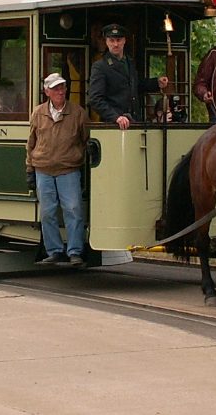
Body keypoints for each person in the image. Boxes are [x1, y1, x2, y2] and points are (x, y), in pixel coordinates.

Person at [26, 73, 90, 266]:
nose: (60, 91)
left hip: (68, 168)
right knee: (47, 212)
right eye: (55, 88)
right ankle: (54, 251)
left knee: (73, 209)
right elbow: (31, 142)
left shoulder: (78, 113)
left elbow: (86, 140)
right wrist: (30, 169)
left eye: (62, 87)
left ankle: (75, 251)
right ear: (47, 92)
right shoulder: (38, 113)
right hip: (43, 169)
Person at [88, 23, 168, 130]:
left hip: (134, 123)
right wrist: (115, 117)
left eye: (119, 40)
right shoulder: (100, 66)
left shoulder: (130, 62)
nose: (115, 44)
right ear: (106, 42)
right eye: (112, 40)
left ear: (124, 41)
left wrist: (156, 83)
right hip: (114, 126)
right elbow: (95, 99)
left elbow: (135, 85)